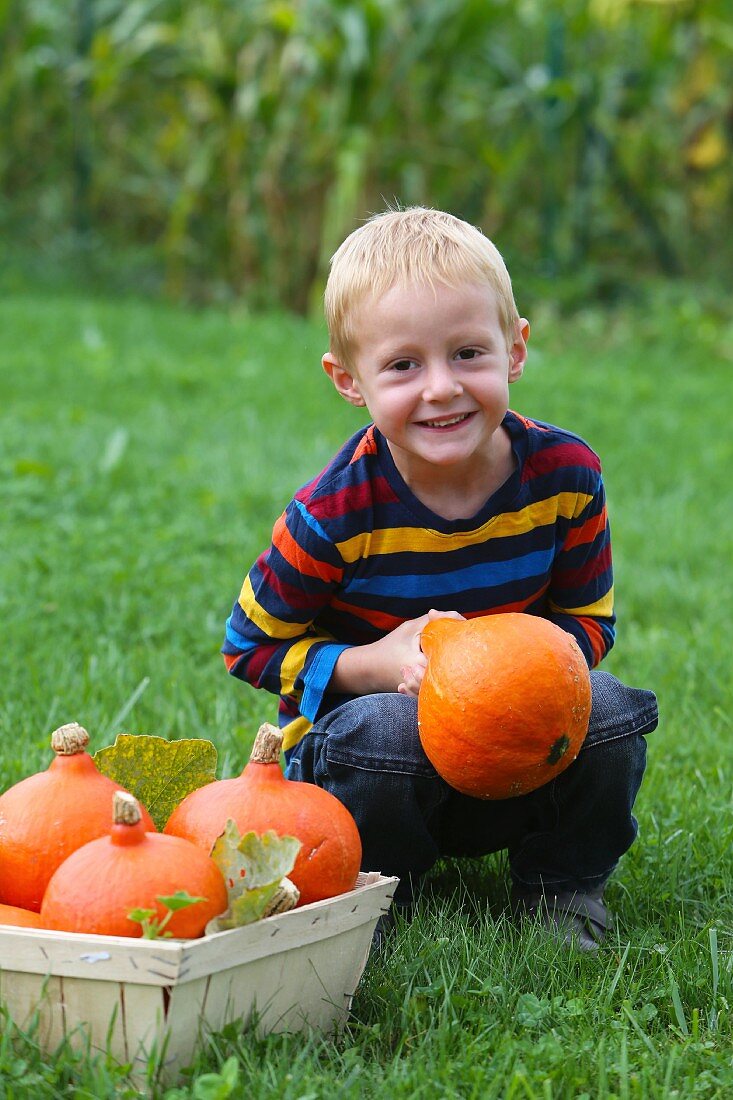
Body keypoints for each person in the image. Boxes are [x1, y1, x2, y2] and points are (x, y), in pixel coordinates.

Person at [222, 207, 658, 951]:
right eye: (402, 365)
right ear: (348, 380)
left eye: (466, 353)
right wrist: (372, 665)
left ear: (514, 350)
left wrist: (508, 673)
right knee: (386, 729)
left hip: (512, 746)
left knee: (611, 713)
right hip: (371, 761)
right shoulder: (332, 513)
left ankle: (561, 887)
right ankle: (379, 895)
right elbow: (248, 646)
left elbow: (590, 621)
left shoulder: (564, 477)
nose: (440, 389)